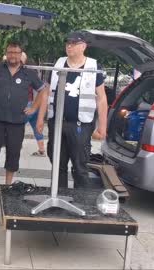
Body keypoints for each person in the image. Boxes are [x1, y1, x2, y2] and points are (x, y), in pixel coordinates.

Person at [36, 31, 107, 188]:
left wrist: (102, 126)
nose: (69, 46)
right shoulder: (59, 63)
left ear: (83, 46)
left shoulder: (93, 66)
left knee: (80, 165)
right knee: (57, 163)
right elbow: (47, 92)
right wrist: (40, 118)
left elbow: (101, 98)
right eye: (68, 43)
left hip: (81, 124)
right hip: (57, 122)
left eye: (73, 44)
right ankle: (58, 197)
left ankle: (80, 200)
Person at [0, 42, 45, 196]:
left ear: (21, 54)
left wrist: (34, 108)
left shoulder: (28, 73)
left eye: (16, 52)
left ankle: (8, 186)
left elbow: (42, 90)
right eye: (10, 52)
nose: (13, 55)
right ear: (6, 53)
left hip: (17, 121)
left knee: (13, 153)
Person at [21, 52, 46, 157]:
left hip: (27, 104)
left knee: (17, 126)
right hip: (35, 103)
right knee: (37, 127)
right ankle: (41, 150)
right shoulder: (32, 72)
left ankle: (16, 146)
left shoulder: (23, 73)